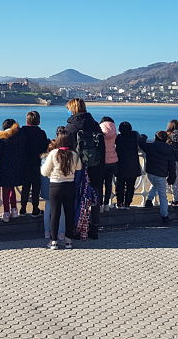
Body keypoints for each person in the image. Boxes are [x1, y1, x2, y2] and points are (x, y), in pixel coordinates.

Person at [62, 98, 104, 239]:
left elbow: (66, 150)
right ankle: (94, 228)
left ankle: (76, 227)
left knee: (76, 197)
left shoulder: (71, 127)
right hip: (95, 167)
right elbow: (102, 148)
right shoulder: (95, 125)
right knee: (94, 197)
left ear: (72, 109)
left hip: (77, 169)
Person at [40, 131, 82, 250]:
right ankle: (68, 241)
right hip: (69, 186)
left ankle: (54, 242)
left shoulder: (53, 153)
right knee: (69, 213)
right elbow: (79, 168)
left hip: (55, 186)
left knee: (55, 214)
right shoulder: (74, 154)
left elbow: (44, 172)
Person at [140, 131, 176, 223]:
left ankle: (149, 200)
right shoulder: (169, 149)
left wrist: (143, 136)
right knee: (162, 195)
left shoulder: (151, 146)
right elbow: (172, 165)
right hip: (161, 174)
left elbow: (141, 143)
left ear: (156, 138)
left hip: (151, 173)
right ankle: (164, 215)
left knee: (155, 185)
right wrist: (172, 177)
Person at [0, 118, 26, 222]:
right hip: (17, 166)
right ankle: (14, 210)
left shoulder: (1, 138)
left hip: (4, 166)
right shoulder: (20, 136)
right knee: (12, 188)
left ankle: (6, 213)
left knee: (5, 189)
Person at [19, 111, 48, 217]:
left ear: (27, 121)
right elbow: (45, 148)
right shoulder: (41, 133)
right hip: (36, 163)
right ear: (38, 121)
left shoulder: (21, 132)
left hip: (24, 163)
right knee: (36, 187)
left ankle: (22, 208)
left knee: (25, 186)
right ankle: (35, 208)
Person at [114, 121, 142, 209]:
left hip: (121, 165)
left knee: (120, 186)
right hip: (133, 165)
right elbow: (142, 139)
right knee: (130, 186)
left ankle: (120, 203)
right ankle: (127, 204)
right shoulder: (135, 137)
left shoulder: (118, 138)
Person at [98, 116, 118, 212]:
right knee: (109, 184)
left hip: (102, 160)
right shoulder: (114, 129)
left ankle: (100, 205)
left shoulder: (100, 128)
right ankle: (107, 204)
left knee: (100, 184)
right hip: (113, 160)